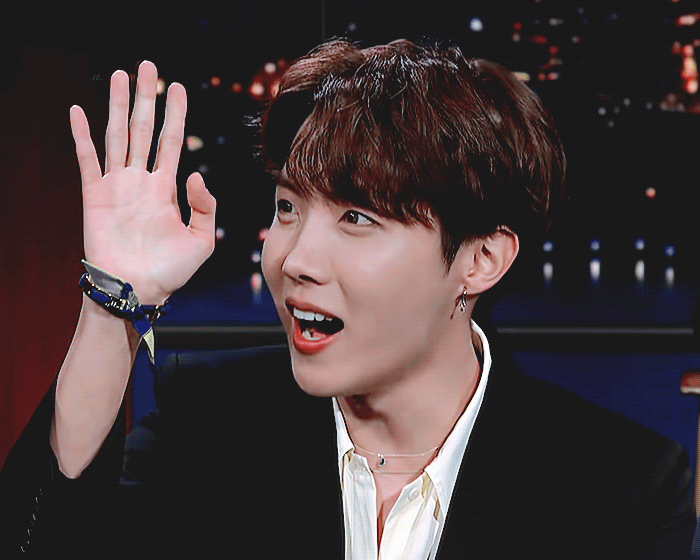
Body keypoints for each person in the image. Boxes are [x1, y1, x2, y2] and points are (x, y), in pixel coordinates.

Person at [0, 39, 695, 559]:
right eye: (287, 207)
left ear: (480, 259)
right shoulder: (211, 429)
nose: (294, 260)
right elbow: (51, 543)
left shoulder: (618, 485)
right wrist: (113, 303)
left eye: (357, 217)